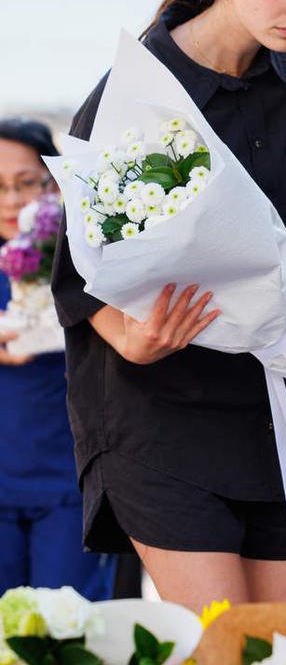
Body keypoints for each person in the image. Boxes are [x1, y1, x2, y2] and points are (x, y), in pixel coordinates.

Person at [50, 0, 286, 613]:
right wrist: (133, 344)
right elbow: (78, 274)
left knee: (279, 645)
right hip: (160, 419)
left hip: (281, 410)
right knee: (221, 647)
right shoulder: (136, 92)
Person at [0, 118, 115, 598]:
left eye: (25, 183)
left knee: (71, 636)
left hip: (70, 488)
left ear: (56, 181)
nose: (10, 200)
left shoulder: (91, 262)